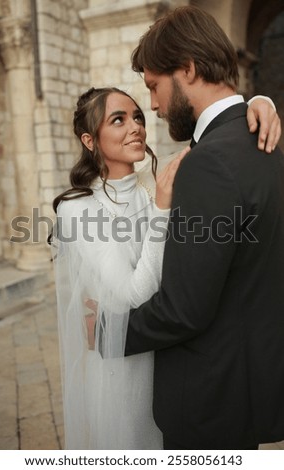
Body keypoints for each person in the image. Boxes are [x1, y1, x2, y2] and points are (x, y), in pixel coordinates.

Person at [52, 84, 280, 449]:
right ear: (90, 140)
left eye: (138, 117)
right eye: (119, 120)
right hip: (125, 365)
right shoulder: (77, 210)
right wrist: (161, 210)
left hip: (172, 359)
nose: (136, 126)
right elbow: (131, 294)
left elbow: (217, 135)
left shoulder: (155, 183)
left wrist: (260, 103)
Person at [122, 6, 284, 450]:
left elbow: (184, 309)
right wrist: (260, 99)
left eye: (154, 87)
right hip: (245, 390)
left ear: (188, 68)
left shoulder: (209, 163)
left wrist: (110, 330)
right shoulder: (261, 141)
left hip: (208, 407)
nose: (152, 105)